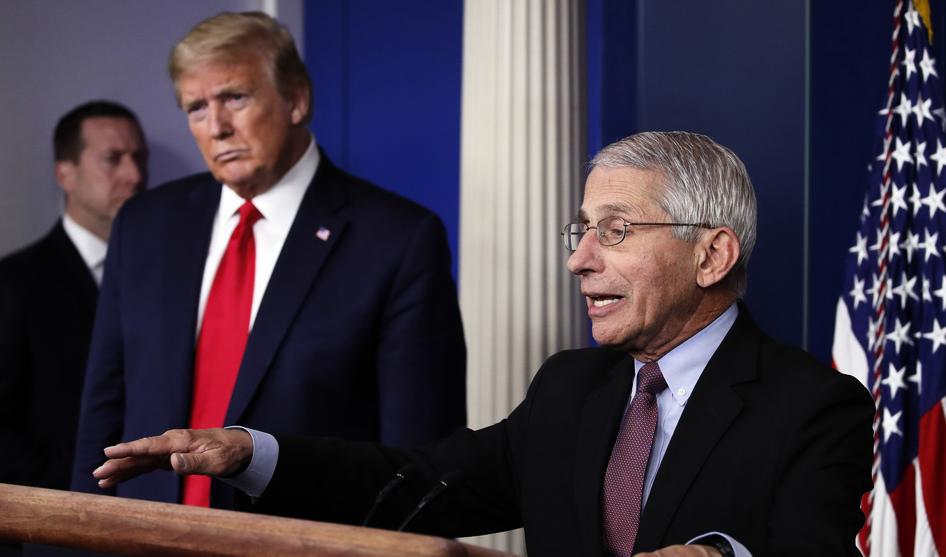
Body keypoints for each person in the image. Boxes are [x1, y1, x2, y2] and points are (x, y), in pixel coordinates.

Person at [92, 132, 874, 557]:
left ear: (712, 254)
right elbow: (418, 484)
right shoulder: (572, 386)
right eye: (580, 230)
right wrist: (248, 451)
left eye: (616, 230)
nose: (578, 258)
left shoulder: (812, 405)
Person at [70, 11, 466, 511]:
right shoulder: (145, 225)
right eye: (196, 107)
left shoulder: (398, 239)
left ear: (296, 99)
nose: (216, 126)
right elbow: (102, 417)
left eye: (235, 97)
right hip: (145, 536)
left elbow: (419, 460)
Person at [0, 100, 147, 490]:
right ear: (66, 175)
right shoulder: (14, 284)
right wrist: (91, 480)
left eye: (138, 157)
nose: (134, 175)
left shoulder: (167, 273)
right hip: (57, 526)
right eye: (113, 159)